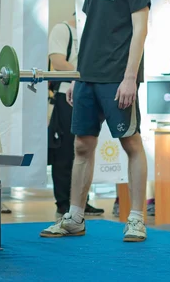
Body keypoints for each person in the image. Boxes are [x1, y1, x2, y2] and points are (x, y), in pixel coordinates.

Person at [41, 0, 150, 242]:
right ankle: (74, 217)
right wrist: (76, 76)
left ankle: (136, 218)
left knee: (131, 144)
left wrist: (130, 78)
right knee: (81, 147)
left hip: (118, 78)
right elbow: (90, 31)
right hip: (88, 77)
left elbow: (140, 29)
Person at [48, 13, 104, 218]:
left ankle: (81, 201)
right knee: (65, 152)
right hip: (67, 94)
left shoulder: (97, 30)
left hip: (91, 92)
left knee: (86, 149)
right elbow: (57, 62)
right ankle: (63, 202)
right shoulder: (63, 30)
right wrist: (87, 72)